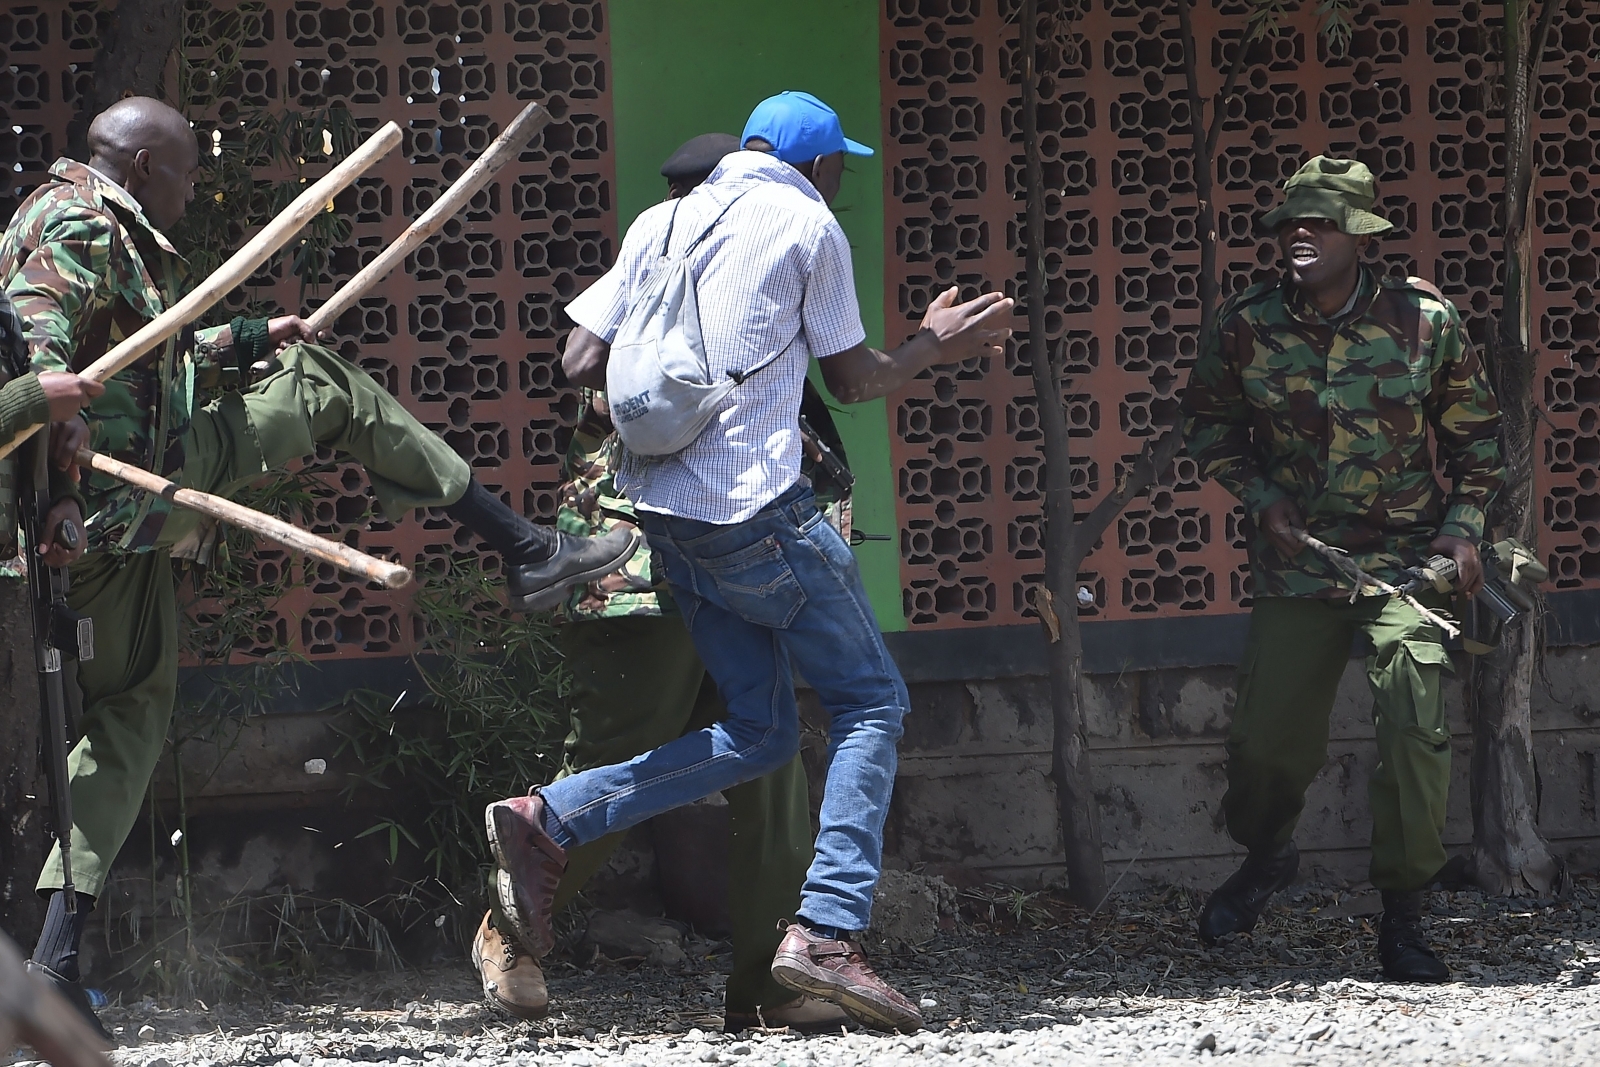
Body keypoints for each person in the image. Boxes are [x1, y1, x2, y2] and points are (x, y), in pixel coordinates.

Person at [0, 96, 635, 1032]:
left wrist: (255, 338)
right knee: (327, 388)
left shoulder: (77, 216)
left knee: (131, 719)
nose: (192, 189)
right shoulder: (74, 224)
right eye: (183, 172)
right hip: (126, 491)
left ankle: (53, 967)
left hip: (120, 507)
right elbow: (40, 372)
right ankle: (524, 546)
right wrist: (55, 478)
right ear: (140, 170)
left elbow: (140, 366)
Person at [484, 91, 1013, 1032]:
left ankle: (549, 817)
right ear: (816, 166)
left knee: (764, 731)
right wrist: (940, 342)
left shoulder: (662, 219)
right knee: (870, 700)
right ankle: (828, 932)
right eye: (840, 169)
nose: (839, 185)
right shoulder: (807, 223)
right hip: (756, 513)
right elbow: (856, 382)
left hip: (663, 520)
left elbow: (575, 360)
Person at [470, 131, 848, 1033]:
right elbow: (576, 365)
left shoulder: (766, 265)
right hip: (643, 566)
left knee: (774, 766)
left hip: (747, 553)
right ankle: (508, 932)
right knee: (616, 757)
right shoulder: (658, 264)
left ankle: (769, 979)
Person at [1180, 156, 1504, 982]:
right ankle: (1269, 855)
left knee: (1412, 726)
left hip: (1403, 567)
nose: (1300, 236)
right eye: (1290, 223)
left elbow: (1478, 445)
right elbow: (1208, 426)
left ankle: (1404, 916)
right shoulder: (1245, 323)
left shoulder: (1424, 321)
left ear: (1359, 238)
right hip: (1302, 568)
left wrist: (1463, 533)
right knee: (1263, 748)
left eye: (1320, 224)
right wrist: (1261, 499)